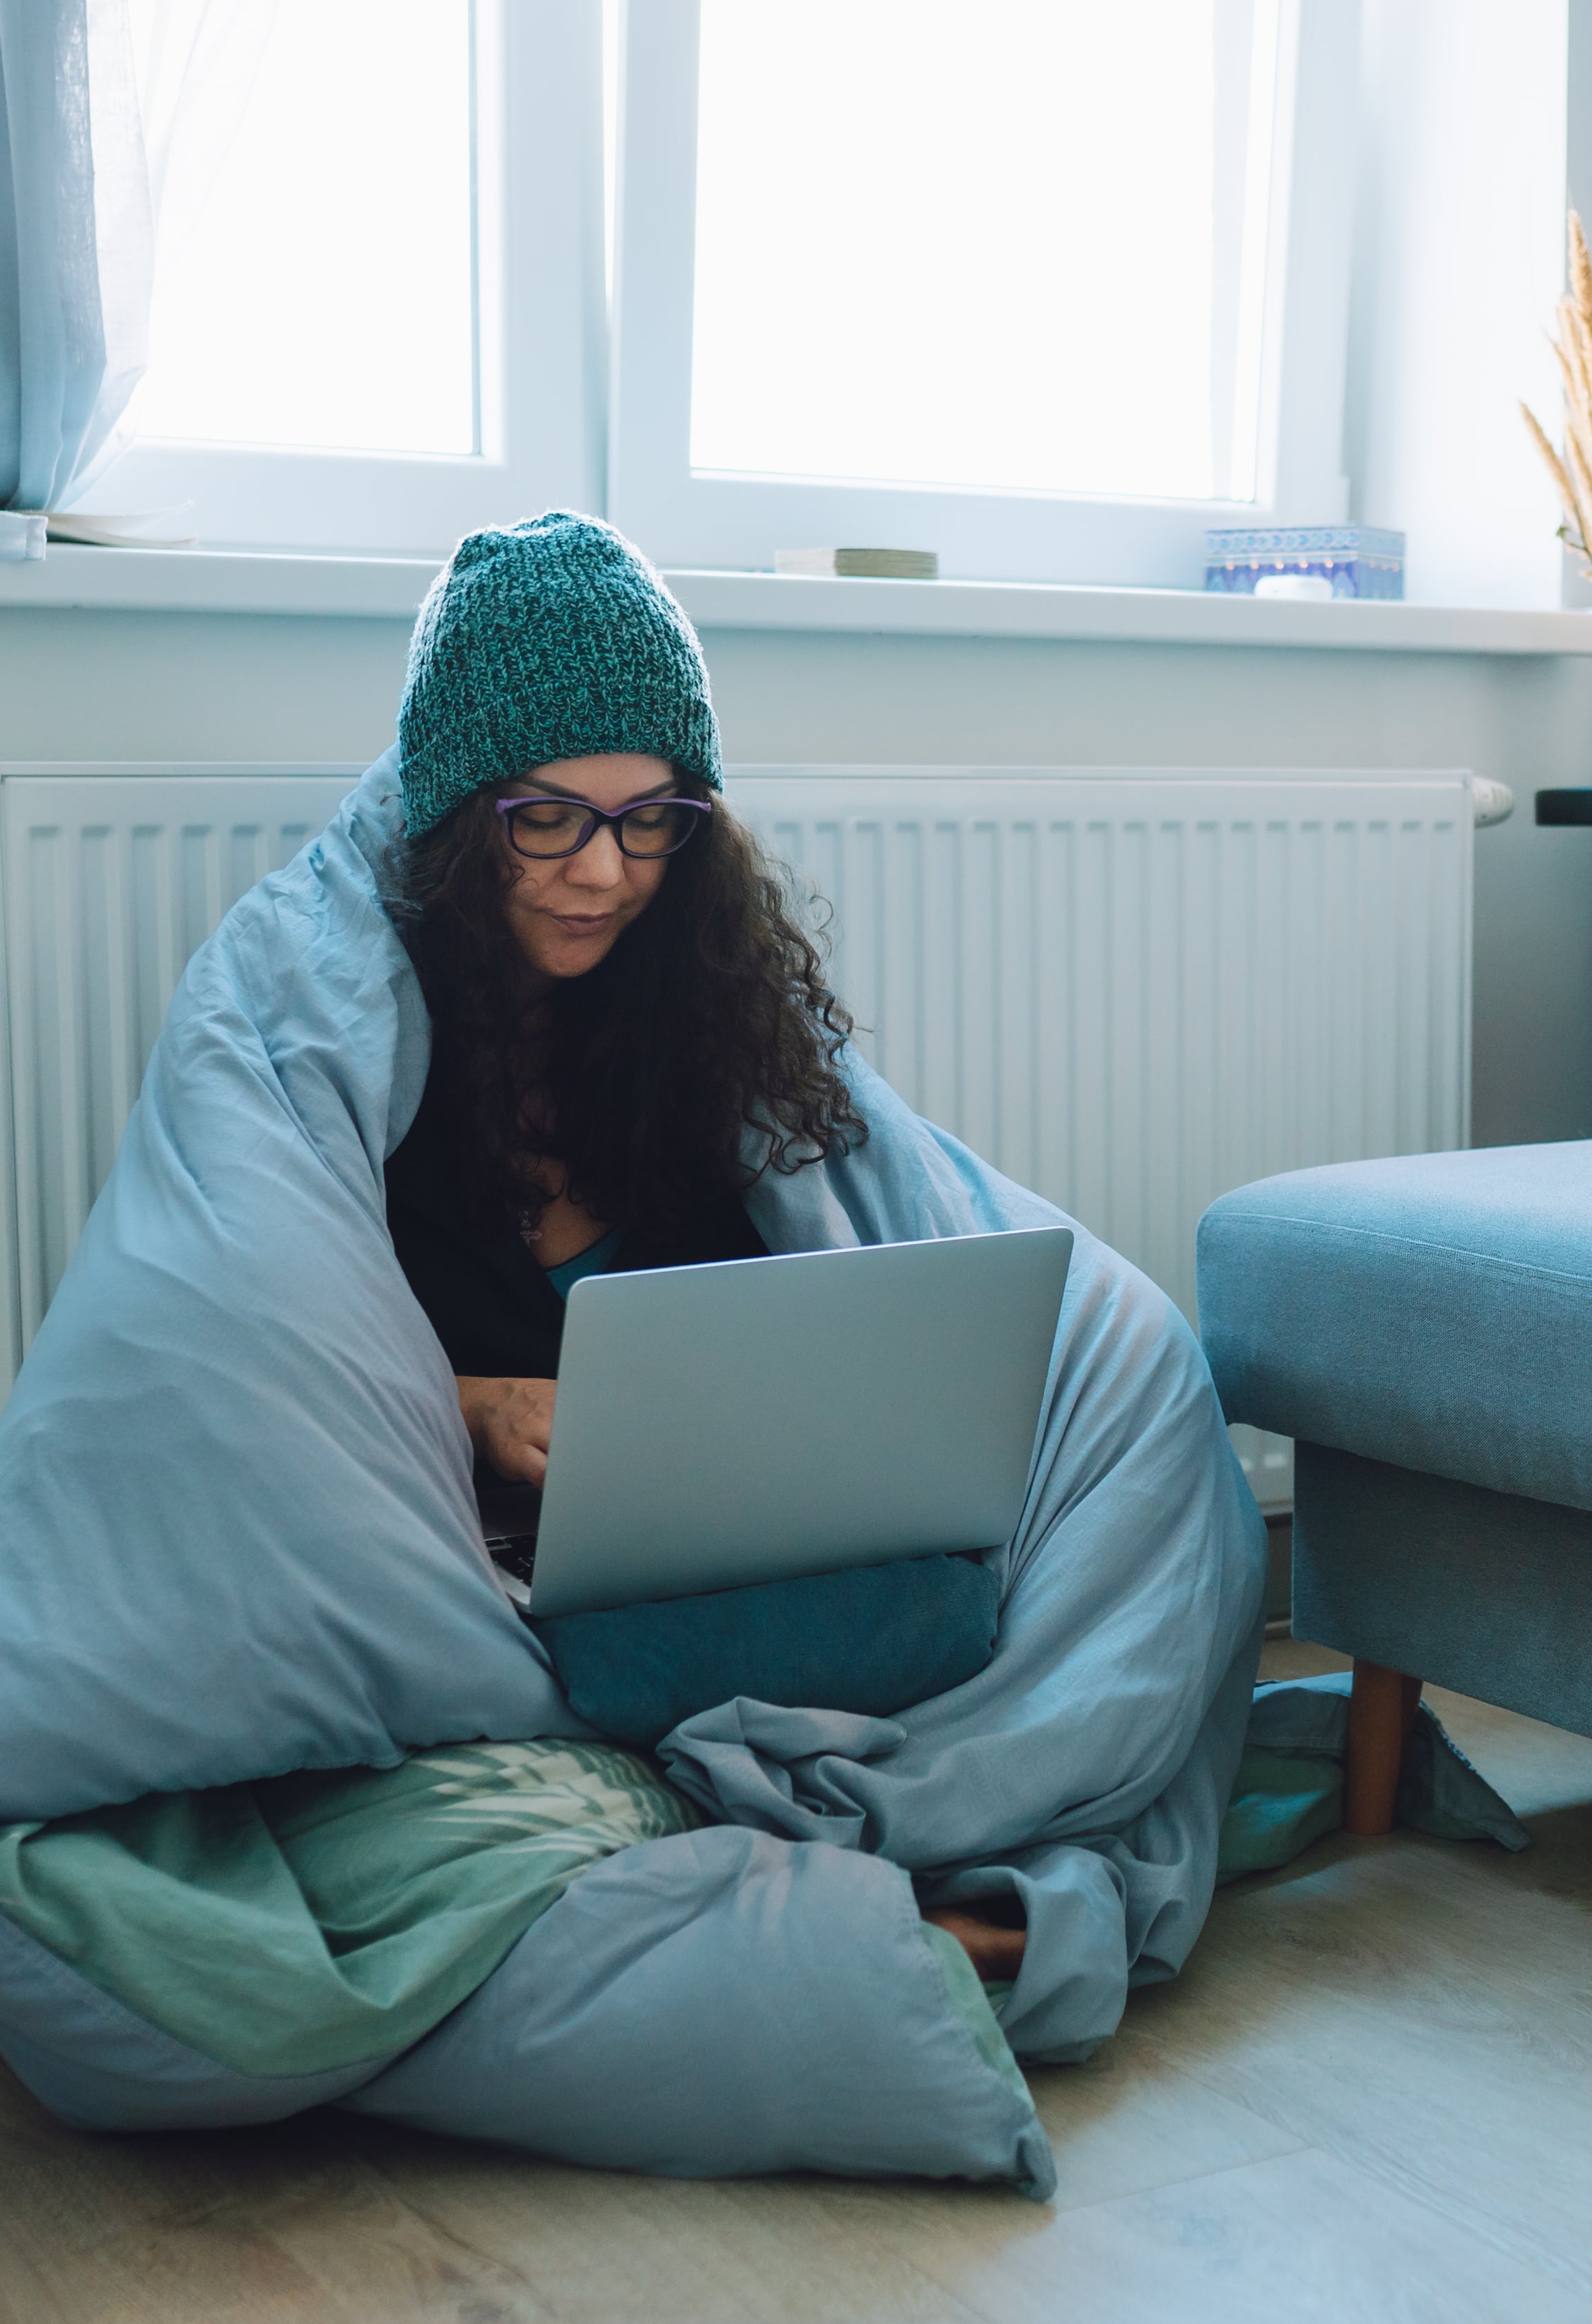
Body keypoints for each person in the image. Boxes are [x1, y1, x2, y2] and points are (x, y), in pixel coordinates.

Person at [377, 512, 1025, 1975]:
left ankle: (753, 1865)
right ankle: (846, 1896)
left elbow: (805, 1305)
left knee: (947, 1599)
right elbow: (278, 1352)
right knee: (553, 1657)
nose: (602, 871)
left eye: (650, 818)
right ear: (460, 816)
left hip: (708, 1566)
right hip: (489, 1568)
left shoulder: (697, 1035)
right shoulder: (381, 1068)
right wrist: (468, 1406)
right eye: (547, 816)